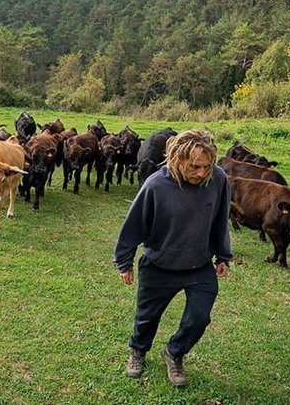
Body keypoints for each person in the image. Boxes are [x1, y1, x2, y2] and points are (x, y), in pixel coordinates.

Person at [113, 129, 232, 387]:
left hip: (199, 265)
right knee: (147, 317)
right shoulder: (156, 185)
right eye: (195, 166)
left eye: (207, 166)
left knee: (200, 316)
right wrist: (124, 261)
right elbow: (134, 224)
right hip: (160, 265)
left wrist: (223, 254)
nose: (202, 173)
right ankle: (138, 351)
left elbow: (221, 218)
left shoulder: (218, 179)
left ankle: (174, 352)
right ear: (177, 159)